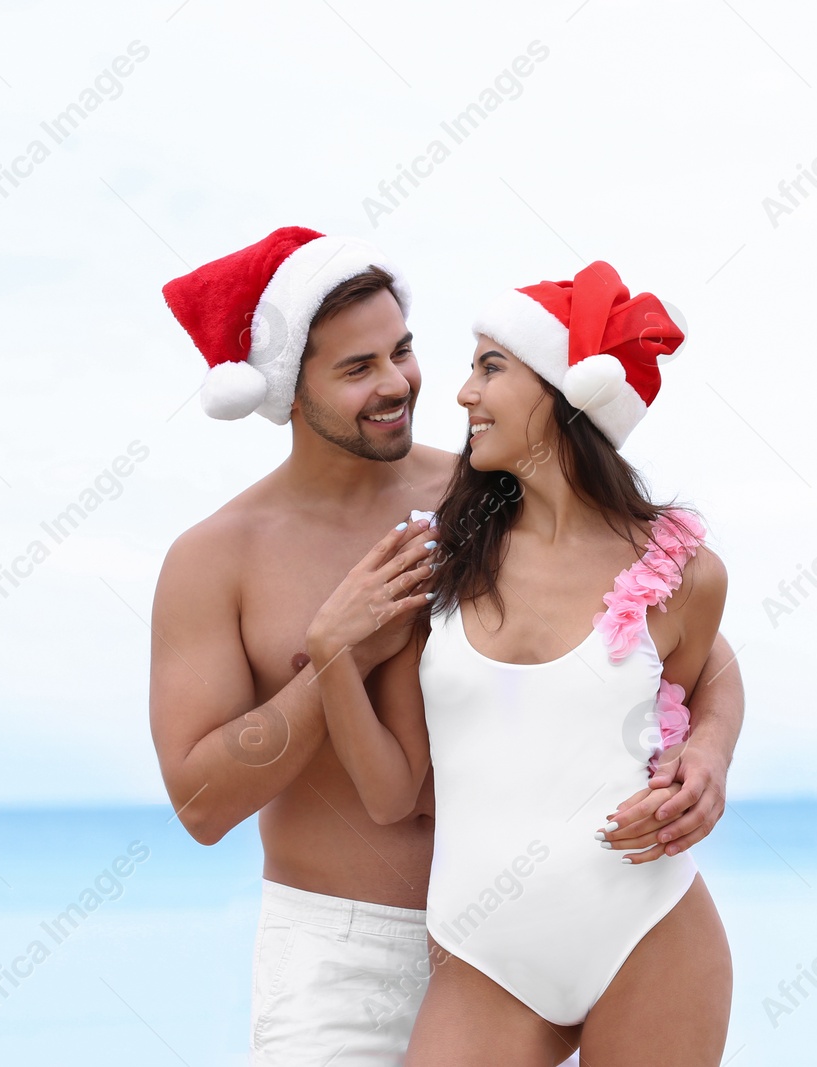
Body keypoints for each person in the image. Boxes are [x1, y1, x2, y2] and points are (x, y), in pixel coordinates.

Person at [150, 228, 744, 1065]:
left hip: (533, 926)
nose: (398, 384)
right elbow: (200, 803)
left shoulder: (480, 493)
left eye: (402, 350)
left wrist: (709, 753)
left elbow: (680, 644)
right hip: (342, 958)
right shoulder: (218, 558)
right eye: (358, 369)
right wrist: (338, 656)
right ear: (291, 387)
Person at [306, 261, 734, 1064]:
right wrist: (332, 654)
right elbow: (394, 792)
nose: (463, 393)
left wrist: (708, 751)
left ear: (569, 392)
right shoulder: (434, 563)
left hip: (650, 935)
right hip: (483, 959)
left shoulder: (680, 571)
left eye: (490, 366)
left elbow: (715, 671)